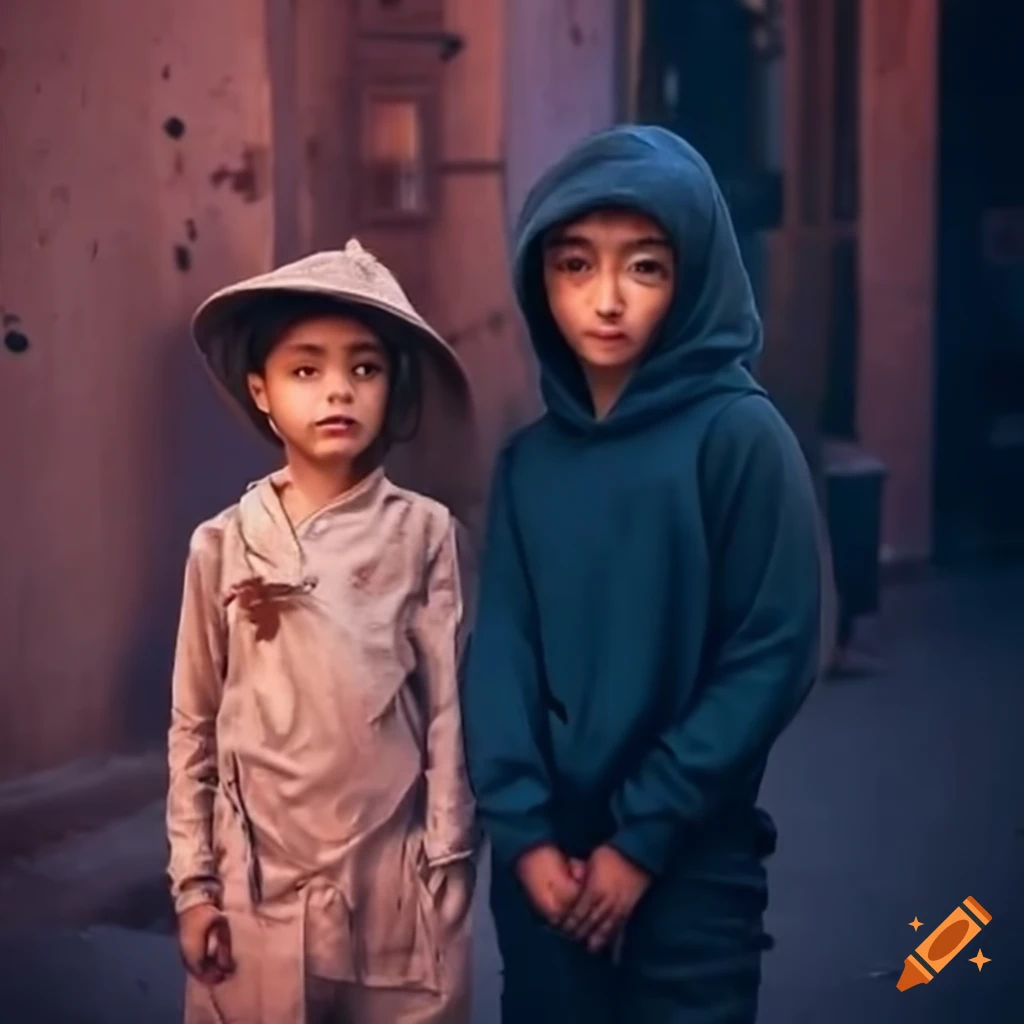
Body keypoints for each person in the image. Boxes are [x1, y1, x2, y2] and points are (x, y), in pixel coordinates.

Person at [461, 126, 826, 1023]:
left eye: (647, 267)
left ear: (694, 275)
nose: (608, 299)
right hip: (544, 867)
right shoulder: (528, 464)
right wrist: (525, 836)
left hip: (691, 866)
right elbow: (501, 650)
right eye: (575, 265)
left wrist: (642, 840)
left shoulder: (740, 436)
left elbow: (769, 652)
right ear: (539, 281)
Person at [166, 242, 479, 1024]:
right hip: (255, 892)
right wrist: (196, 887)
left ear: (392, 387)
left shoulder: (425, 536)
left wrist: (448, 866)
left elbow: (447, 716)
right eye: (306, 370)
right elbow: (194, 727)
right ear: (261, 391)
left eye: (364, 369)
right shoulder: (222, 545)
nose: (337, 389)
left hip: (394, 889)